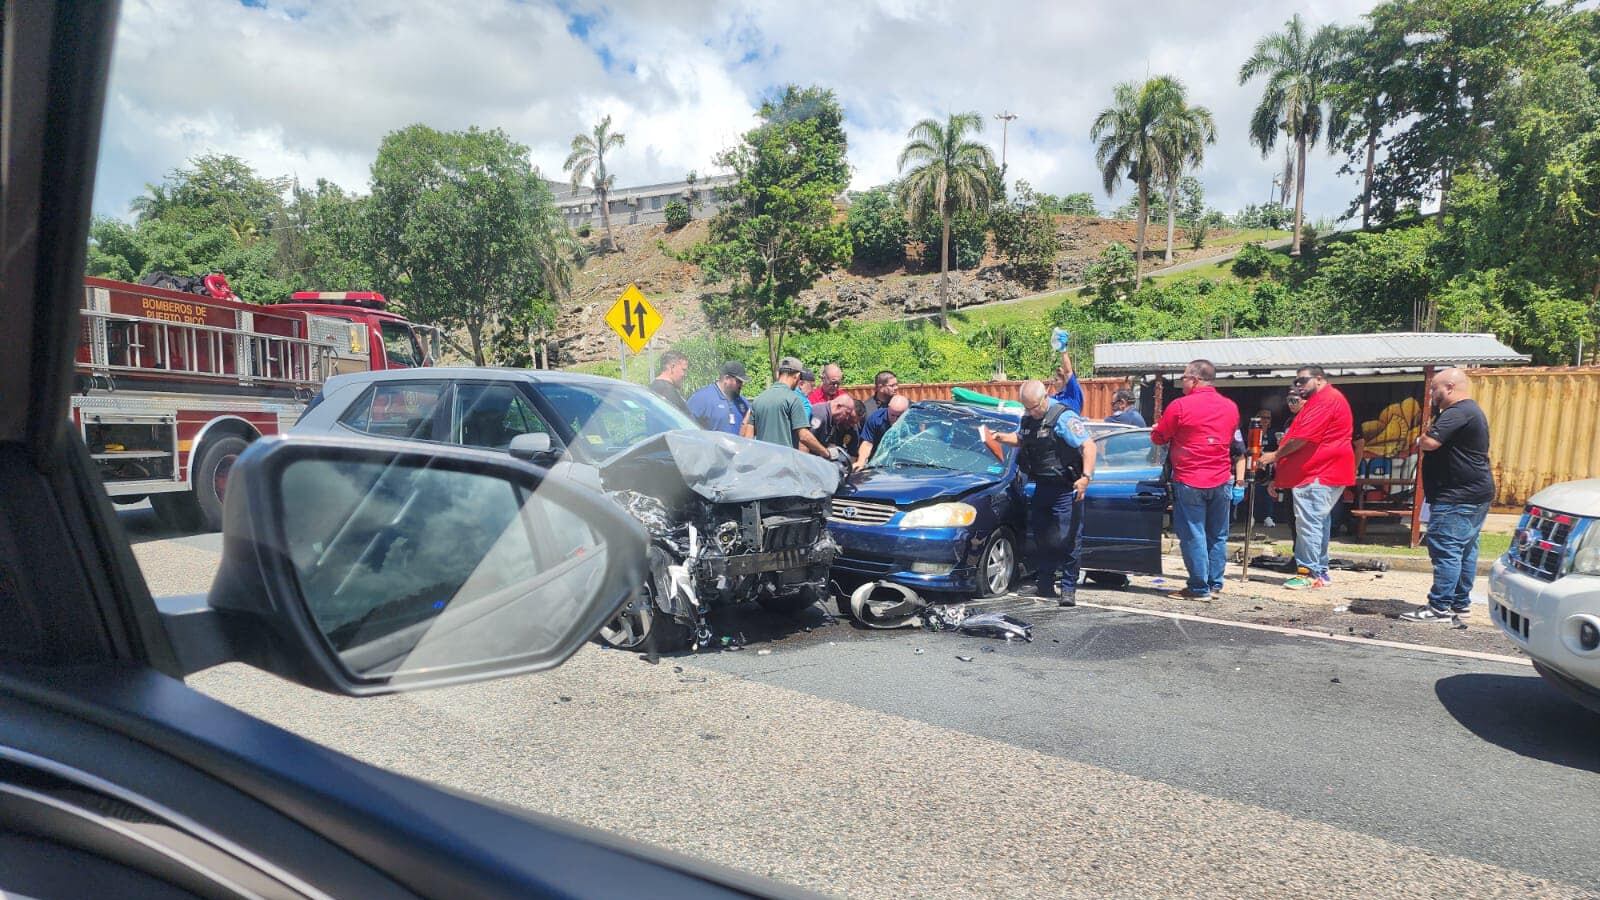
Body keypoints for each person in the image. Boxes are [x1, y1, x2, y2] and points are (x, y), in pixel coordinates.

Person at [982, 380, 1096, 606]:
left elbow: (1088, 446)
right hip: (1043, 486)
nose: (1031, 412)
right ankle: (1045, 585)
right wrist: (1000, 437)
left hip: (1067, 488)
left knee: (1068, 539)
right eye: (1027, 408)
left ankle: (1068, 589)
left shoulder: (1063, 417)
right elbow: (1022, 438)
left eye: (1034, 407)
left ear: (1045, 398)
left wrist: (1086, 477)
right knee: (1043, 538)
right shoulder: (1028, 418)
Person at [1401, 368, 1495, 623]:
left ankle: (1439, 607)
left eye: (1435, 389)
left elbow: (1431, 442)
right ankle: (1458, 603)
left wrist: (1421, 439)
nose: (1432, 394)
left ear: (1450, 387)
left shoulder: (1458, 412)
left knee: (1447, 549)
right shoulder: (1468, 411)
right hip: (1472, 492)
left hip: (1457, 495)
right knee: (1464, 550)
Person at [1149, 359, 1241, 601]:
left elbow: (1159, 438)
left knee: (1193, 534)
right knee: (1218, 534)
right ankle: (1214, 583)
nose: (1182, 383)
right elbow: (1230, 438)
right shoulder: (1230, 407)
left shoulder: (1180, 406)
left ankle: (1199, 588)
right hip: (1222, 478)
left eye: (1184, 379)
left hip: (1190, 478)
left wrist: (1159, 428)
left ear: (1195, 379)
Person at [1259, 366, 1356, 590]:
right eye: (1297, 381)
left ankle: (1308, 572)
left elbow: (1302, 439)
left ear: (1319, 379)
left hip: (1319, 472)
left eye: (1303, 380)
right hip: (1319, 471)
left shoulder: (1325, 400)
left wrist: (1274, 455)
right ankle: (1319, 571)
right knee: (1318, 522)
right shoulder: (1322, 400)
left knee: (1309, 523)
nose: (1299, 385)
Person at [744, 356, 829, 457]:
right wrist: (825, 452)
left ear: (779, 374)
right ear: (797, 376)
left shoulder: (758, 400)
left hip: (763, 464)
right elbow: (804, 436)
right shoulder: (793, 399)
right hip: (784, 465)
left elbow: (748, 437)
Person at [687, 361, 750, 435]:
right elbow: (687, 428)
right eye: (738, 381)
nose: (741, 385)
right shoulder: (701, 399)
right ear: (726, 378)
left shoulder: (743, 403)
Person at [854, 395, 909, 470]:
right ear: (888, 407)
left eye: (899, 416)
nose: (895, 419)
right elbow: (867, 443)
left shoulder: (912, 421)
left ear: (906, 411)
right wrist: (861, 461)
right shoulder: (876, 419)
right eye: (892, 415)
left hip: (905, 462)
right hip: (878, 462)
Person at [1250, 408, 1279, 527]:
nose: (1265, 420)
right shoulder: (1252, 431)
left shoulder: (1274, 433)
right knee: (1253, 490)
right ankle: (1251, 516)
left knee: (1269, 490)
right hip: (1253, 463)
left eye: (1268, 418)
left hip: (1269, 466)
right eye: (1263, 417)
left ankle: (1268, 516)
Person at [648, 350, 691, 415]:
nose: (685, 374)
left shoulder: (654, 387)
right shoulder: (668, 393)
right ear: (672, 367)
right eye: (683, 370)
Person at [1048, 347, 1084, 414]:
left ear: (1065, 381)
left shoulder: (1072, 394)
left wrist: (1063, 351)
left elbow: (1068, 372)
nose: (1053, 383)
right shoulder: (1055, 397)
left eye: (1056, 380)